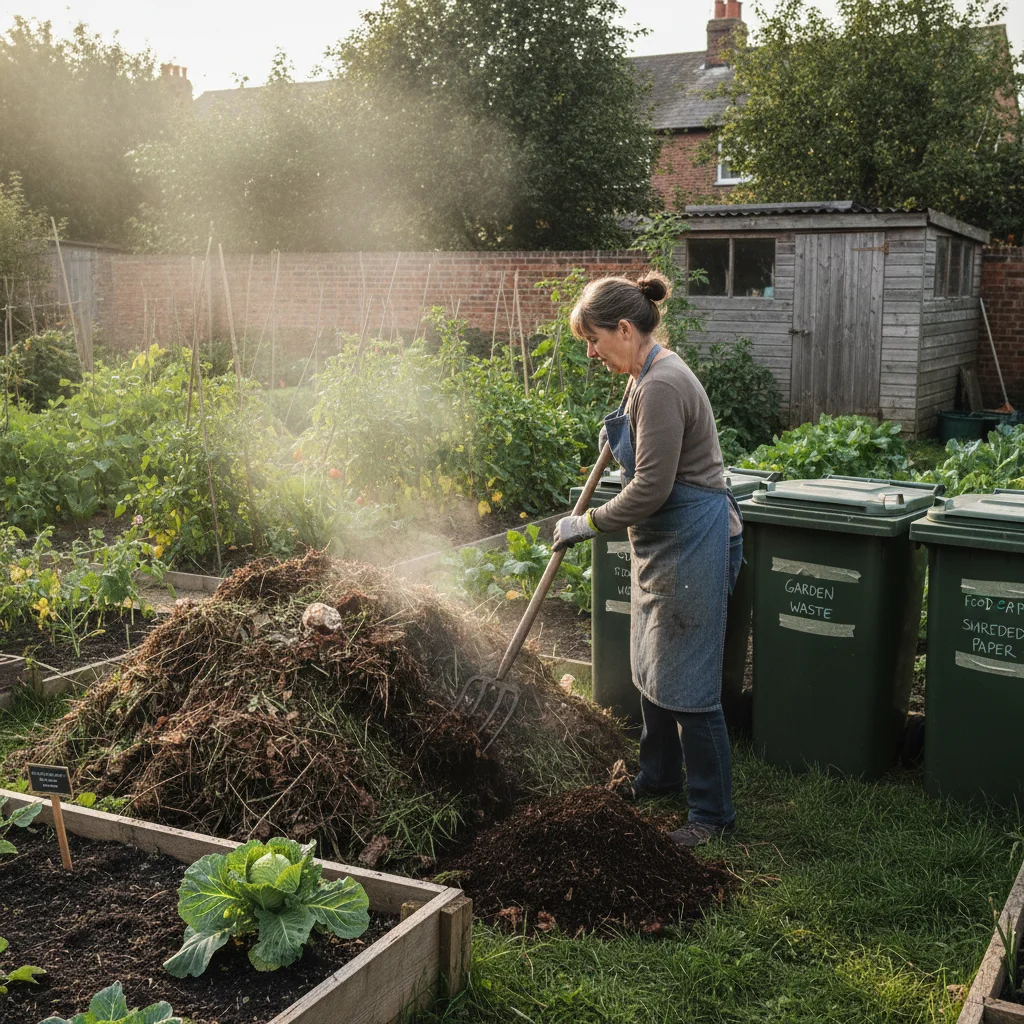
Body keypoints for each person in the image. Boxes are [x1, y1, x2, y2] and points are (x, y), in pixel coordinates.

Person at [552, 271, 743, 847]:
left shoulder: (663, 383)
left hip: (694, 538)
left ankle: (712, 816)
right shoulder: (643, 374)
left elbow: (651, 490)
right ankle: (658, 776)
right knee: (653, 665)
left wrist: (586, 523)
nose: (590, 351)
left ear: (626, 328)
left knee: (688, 681)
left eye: (594, 339)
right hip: (666, 541)